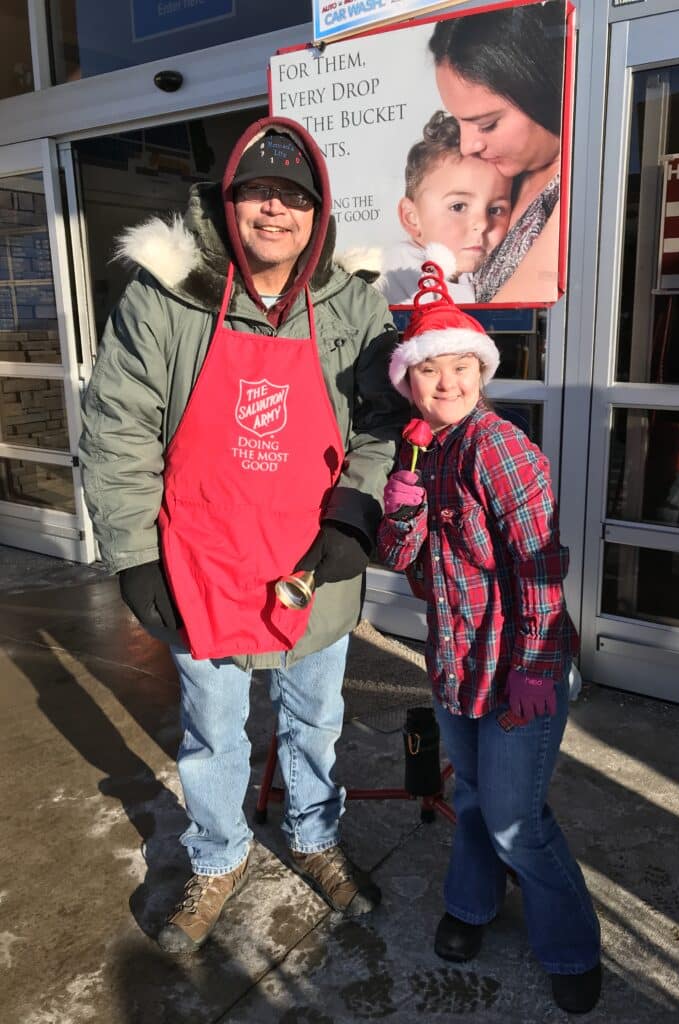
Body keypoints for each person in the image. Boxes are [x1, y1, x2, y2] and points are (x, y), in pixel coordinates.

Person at [79, 116, 409, 953]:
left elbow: (383, 420)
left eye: (293, 196)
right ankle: (219, 857)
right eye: (259, 192)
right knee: (214, 730)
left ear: (317, 211)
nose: (275, 210)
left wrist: (355, 515)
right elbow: (119, 428)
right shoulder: (164, 298)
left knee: (313, 721)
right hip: (201, 558)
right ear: (227, 203)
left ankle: (314, 837)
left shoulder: (352, 300)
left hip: (314, 561)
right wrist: (133, 556)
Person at [376, 257, 602, 1014]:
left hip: (517, 672)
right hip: (455, 668)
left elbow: (541, 562)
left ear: (482, 370)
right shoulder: (425, 453)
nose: (447, 383)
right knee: (472, 796)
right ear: (409, 382)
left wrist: (538, 664)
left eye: (461, 367)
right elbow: (399, 557)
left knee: (515, 818)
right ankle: (472, 906)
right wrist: (402, 497)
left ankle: (570, 944)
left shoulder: (495, 448)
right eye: (430, 371)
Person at [429, 1, 566, 303]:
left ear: (540, 93)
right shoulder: (499, 173)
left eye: (487, 125)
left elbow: (510, 311)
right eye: (459, 121)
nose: (468, 146)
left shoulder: (576, 188)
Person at [375, 110, 512, 304]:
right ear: (412, 218)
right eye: (458, 207)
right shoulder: (404, 270)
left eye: (495, 210)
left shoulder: (470, 270)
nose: (482, 223)